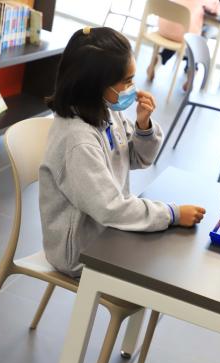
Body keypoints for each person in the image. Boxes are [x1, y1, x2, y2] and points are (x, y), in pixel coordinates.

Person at [40, 27, 206, 277]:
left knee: (168, 256)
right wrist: (171, 214)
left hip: (106, 230)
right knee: (166, 269)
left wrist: (143, 126)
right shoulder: (78, 141)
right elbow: (111, 208)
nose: (133, 88)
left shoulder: (104, 111)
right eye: (127, 81)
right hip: (80, 252)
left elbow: (139, 158)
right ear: (94, 84)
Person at [147, 0, 220, 87]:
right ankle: (192, 70)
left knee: (180, 33)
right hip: (184, 35)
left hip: (163, 28)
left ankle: (160, 58)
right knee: (195, 38)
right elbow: (215, 9)